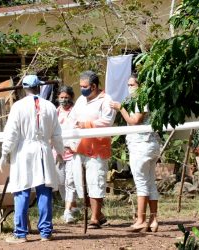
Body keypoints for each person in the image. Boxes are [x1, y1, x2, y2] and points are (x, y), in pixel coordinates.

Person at [0, 74, 64, 243]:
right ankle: (45, 232)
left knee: (21, 191)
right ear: (39, 87)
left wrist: (5, 151)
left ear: (24, 88)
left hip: (24, 151)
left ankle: (20, 233)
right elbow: (57, 134)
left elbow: (11, 133)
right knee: (44, 190)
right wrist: (61, 152)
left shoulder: (18, 106)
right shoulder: (50, 106)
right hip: (43, 150)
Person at [109, 74, 160, 232]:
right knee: (150, 182)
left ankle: (141, 220)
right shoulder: (146, 98)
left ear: (141, 85)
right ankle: (153, 220)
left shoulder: (141, 99)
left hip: (141, 145)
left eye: (132, 84)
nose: (130, 87)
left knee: (141, 183)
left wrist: (120, 108)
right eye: (129, 85)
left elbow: (135, 120)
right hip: (150, 145)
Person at [68, 70, 116, 229]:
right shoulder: (81, 100)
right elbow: (72, 118)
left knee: (96, 182)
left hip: (97, 149)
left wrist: (87, 124)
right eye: (81, 86)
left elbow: (107, 121)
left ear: (94, 86)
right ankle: (99, 214)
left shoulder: (106, 100)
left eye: (85, 86)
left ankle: (95, 218)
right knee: (82, 185)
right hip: (80, 147)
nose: (82, 89)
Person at [54, 86, 79, 224]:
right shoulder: (55, 112)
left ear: (71, 97)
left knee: (70, 181)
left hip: (72, 151)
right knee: (61, 182)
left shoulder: (76, 112)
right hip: (58, 152)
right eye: (61, 97)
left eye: (66, 97)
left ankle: (67, 211)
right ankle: (73, 206)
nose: (64, 100)